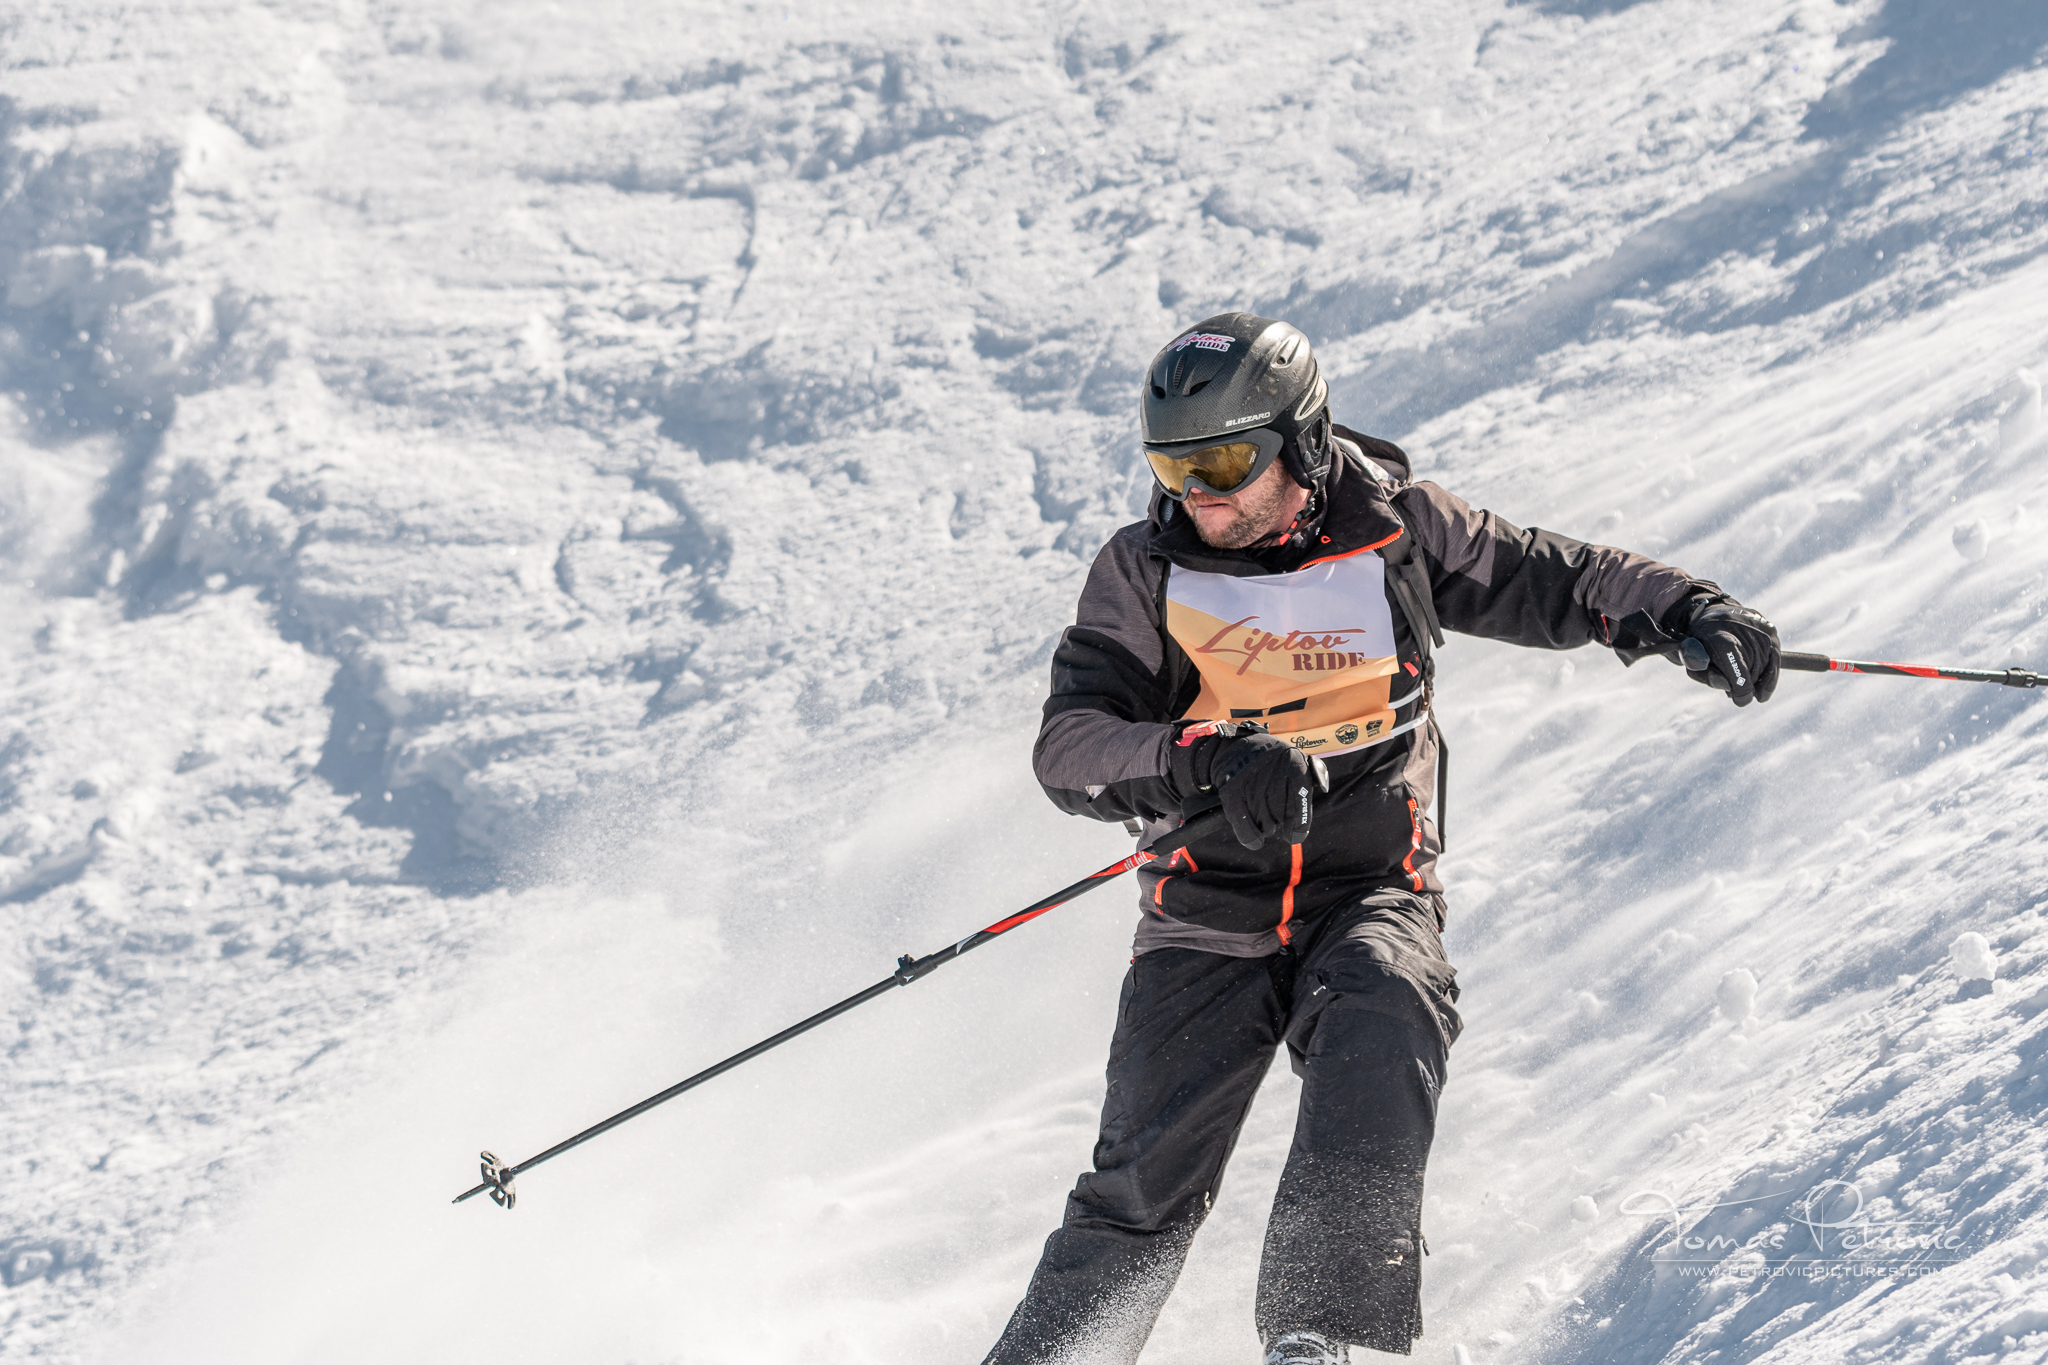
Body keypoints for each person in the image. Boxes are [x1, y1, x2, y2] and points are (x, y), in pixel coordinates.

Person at [981, 313, 1780, 1365]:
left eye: (1223, 464)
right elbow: (1069, 747)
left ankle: (1320, 1335)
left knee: (1387, 1007)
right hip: (1204, 917)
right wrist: (1204, 757)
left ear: (1302, 442)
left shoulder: (1395, 528)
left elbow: (1559, 577)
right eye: (1172, 469)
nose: (1198, 497)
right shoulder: (1144, 570)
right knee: (1138, 1195)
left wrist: (1687, 610)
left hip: (1370, 886)